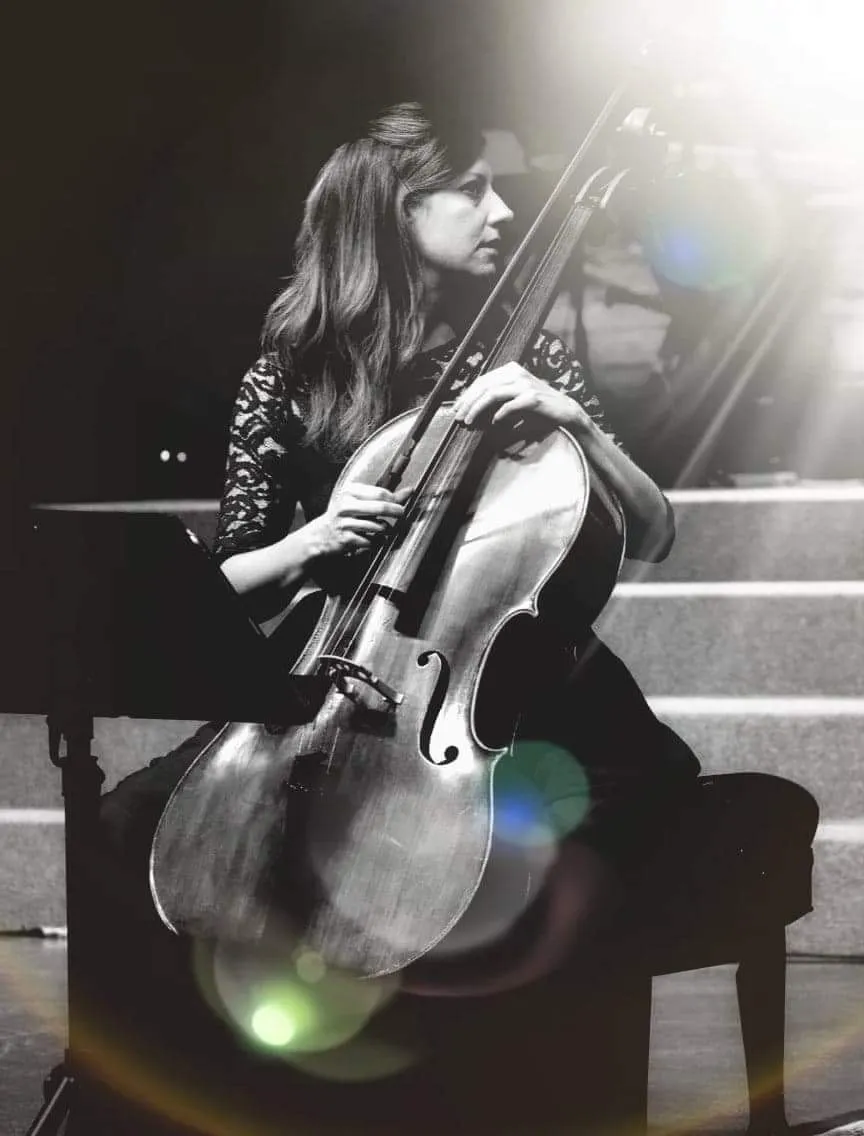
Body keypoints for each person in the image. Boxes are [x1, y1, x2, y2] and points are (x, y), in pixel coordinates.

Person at [91, 102, 817, 1133]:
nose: (501, 207)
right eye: (471, 187)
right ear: (392, 208)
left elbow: (651, 529)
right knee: (131, 821)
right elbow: (226, 579)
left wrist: (573, 423)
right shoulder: (291, 373)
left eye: (500, 187)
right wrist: (312, 542)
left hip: (507, 700)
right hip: (337, 680)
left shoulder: (524, 364)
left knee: (496, 876)